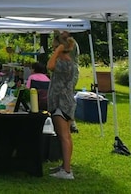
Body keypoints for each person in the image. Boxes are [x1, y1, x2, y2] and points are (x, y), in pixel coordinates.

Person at [47, 33, 77, 180]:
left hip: (62, 103)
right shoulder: (66, 61)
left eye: (54, 45)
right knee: (65, 136)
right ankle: (65, 165)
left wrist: (57, 51)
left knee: (64, 136)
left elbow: (49, 66)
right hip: (64, 102)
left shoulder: (64, 62)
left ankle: (66, 171)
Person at [60, 30, 80, 134]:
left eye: (63, 31)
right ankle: (68, 121)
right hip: (67, 72)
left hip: (70, 72)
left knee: (68, 96)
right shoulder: (67, 42)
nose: (61, 33)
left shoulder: (70, 43)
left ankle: (72, 123)